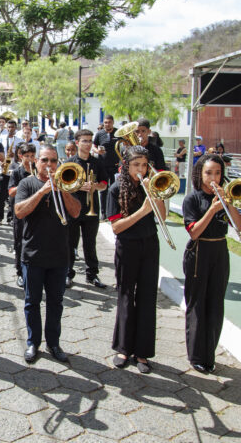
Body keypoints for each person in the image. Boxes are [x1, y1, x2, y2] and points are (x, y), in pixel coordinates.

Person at [14, 144, 81, 363]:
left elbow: (76, 211)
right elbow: (19, 211)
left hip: (59, 254)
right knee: (31, 302)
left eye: (53, 160)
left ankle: (54, 343)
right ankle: (33, 343)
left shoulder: (65, 183)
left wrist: (62, 190)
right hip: (33, 253)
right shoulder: (27, 183)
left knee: (56, 302)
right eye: (45, 160)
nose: (49, 165)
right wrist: (42, 191)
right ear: (36, 162)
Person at [182, 154, 241, 374]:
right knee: (198, 304)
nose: (213, 177)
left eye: (217, 173)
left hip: (219, 251)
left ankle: (210, 354)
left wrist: (229, 204)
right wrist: (212, 210)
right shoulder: (192, 199)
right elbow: (194, 232)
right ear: (200, 174)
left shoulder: (225, 197)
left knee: (216, 305)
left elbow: (239, 226)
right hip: (199, 252)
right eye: (209, 173)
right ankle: (196, 355)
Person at [107, 146, 165, 374]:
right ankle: (123, 348)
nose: (140, 170)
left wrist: (155, 195)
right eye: (136, 165)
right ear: (126, 167)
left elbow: (162, 216)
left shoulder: (151, 186)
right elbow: (116, 227)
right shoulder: (115, 189)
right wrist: (142, 211)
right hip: (127, 246)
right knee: (126, 295)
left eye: (144, 165)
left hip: (150, 244)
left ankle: (142, 352)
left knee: (147, 296)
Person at [66, 130, 108, 289]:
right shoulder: (69, 162)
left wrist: (94, 186)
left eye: (90, 141)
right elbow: (63, 186)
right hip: (73, 208)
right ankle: (68, 274)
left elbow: (104, 184)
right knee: (70, 243)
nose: (88, 144)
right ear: (77, 143)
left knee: (90, 243)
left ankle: (92, 275)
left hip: (92, 209)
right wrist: (78, 185)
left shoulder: (98, 162)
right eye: (84, 141)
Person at [9, 143, 36, 287]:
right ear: (21, 156)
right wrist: (26, 182)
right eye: (27, 156)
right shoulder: (16, 172)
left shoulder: (38, 170)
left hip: (36, 210)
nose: (30, 159)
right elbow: (11, 192)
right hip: (20, 211)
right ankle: (19, 272)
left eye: (32, 156)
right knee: (19, 241)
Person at [0, 120, 24, 224]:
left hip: (14, 169)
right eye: (8, 127)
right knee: (1, 195)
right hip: (3, 169)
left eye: (12, 127)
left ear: (15, 128)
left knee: (13, 195)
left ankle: (11, 217)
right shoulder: (1, 138)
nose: (10, 129)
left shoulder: (19, 140)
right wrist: (1, 162)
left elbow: (22, 154)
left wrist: (15, 155)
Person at [93, 115, 118, 220]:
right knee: (103, 190)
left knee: (115, 189)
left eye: (109, 122)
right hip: (102, 166)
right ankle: (103, 213)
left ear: (113, 122)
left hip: (115, 166)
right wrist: (97, 151)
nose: (107, 124)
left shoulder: (118, 133)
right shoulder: (99, 133)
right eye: (105, 122)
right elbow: (93, 146)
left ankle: (114, 212)